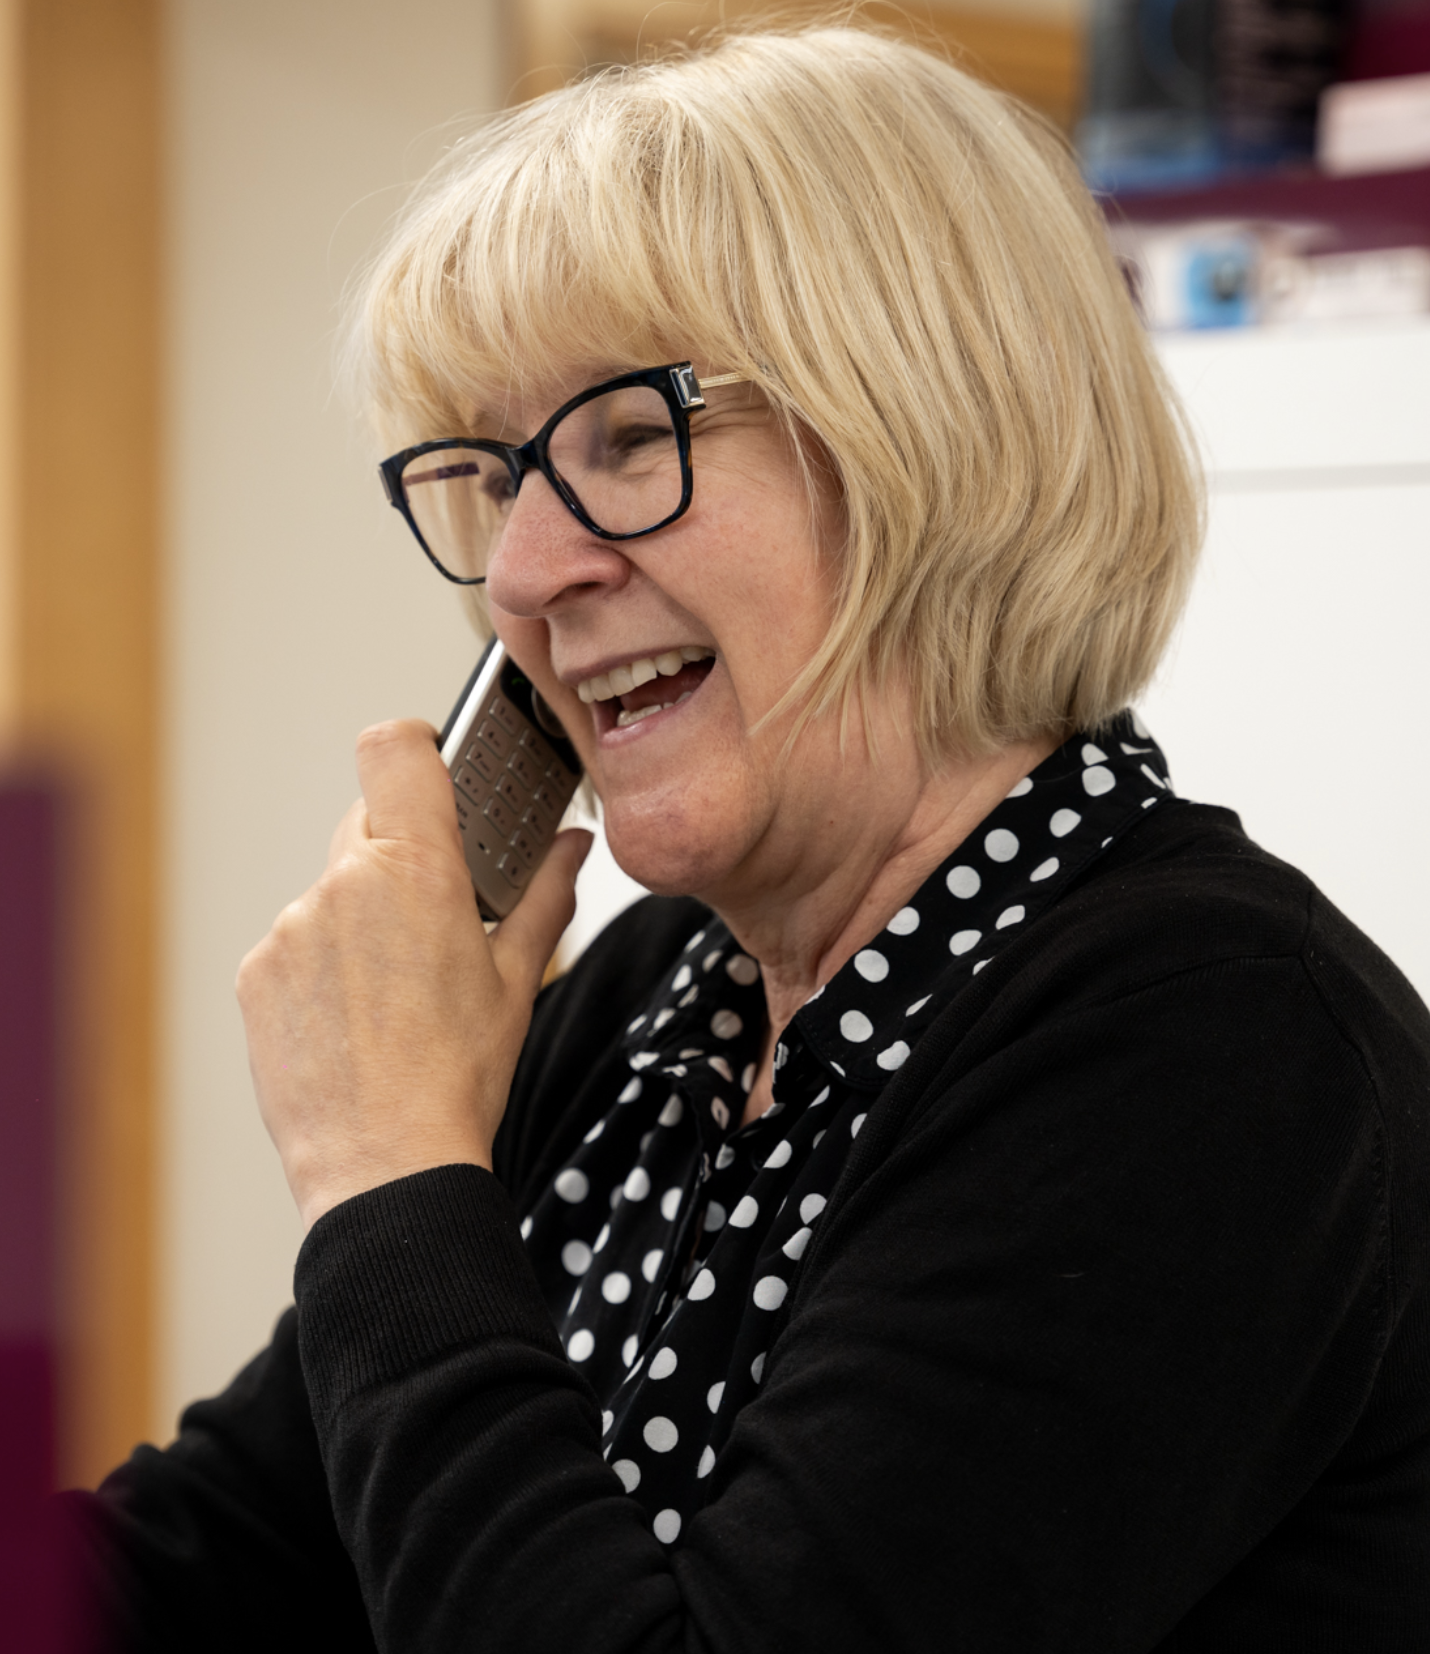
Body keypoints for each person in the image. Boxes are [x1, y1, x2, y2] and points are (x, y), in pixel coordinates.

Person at [67, 24, 1430, 1653]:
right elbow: (207, 1556)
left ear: (936, 438)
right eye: (493, 474)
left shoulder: (1210, 1039)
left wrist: (386, 1171)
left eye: (627, 441)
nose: (519, 571)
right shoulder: (668, 993)